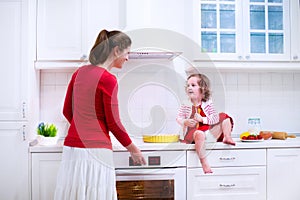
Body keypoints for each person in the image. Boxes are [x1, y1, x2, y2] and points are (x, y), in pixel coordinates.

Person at [54, 29, 146, 200]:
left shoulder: (79, 73)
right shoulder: (108, 79)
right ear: (116, 50)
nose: (128, 58)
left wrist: (81, 127)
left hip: (72, 149)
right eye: (127, 53)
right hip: (95, 152)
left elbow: (67, 110)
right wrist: (134, 150)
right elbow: (114, 123)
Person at [176, 73, 235, 174]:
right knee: (199, 133)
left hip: (208, 132)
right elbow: (179, 118)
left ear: (202, 89)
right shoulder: (185, 104)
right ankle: (204, 162)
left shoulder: (207, 103)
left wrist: (203, 119)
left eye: (193, 85)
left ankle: (227, 136)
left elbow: (214, 119)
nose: (189, 87)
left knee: (224, 117)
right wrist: (185, 122)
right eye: (188, 85)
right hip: (192, 134)